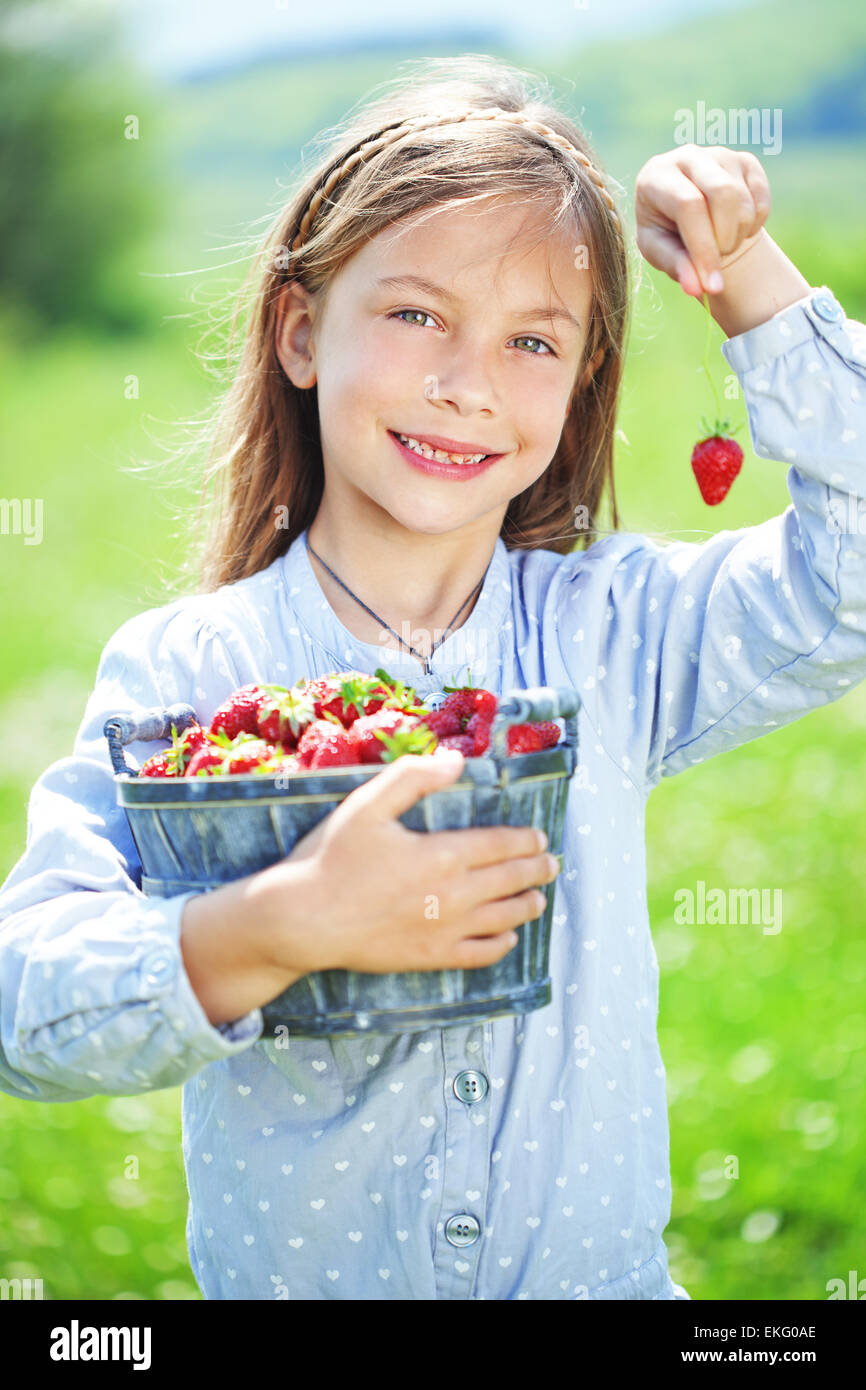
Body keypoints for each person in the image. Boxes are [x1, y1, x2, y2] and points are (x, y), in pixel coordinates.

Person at [1, 55, 864, 1302]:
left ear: (577, 388)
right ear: (302, 330)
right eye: (415, 315)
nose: (466, 382)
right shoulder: (193, 673)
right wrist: (280, 922)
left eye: (531, 340)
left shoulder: (612, 636)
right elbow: (27, 1003)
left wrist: (751, 288)